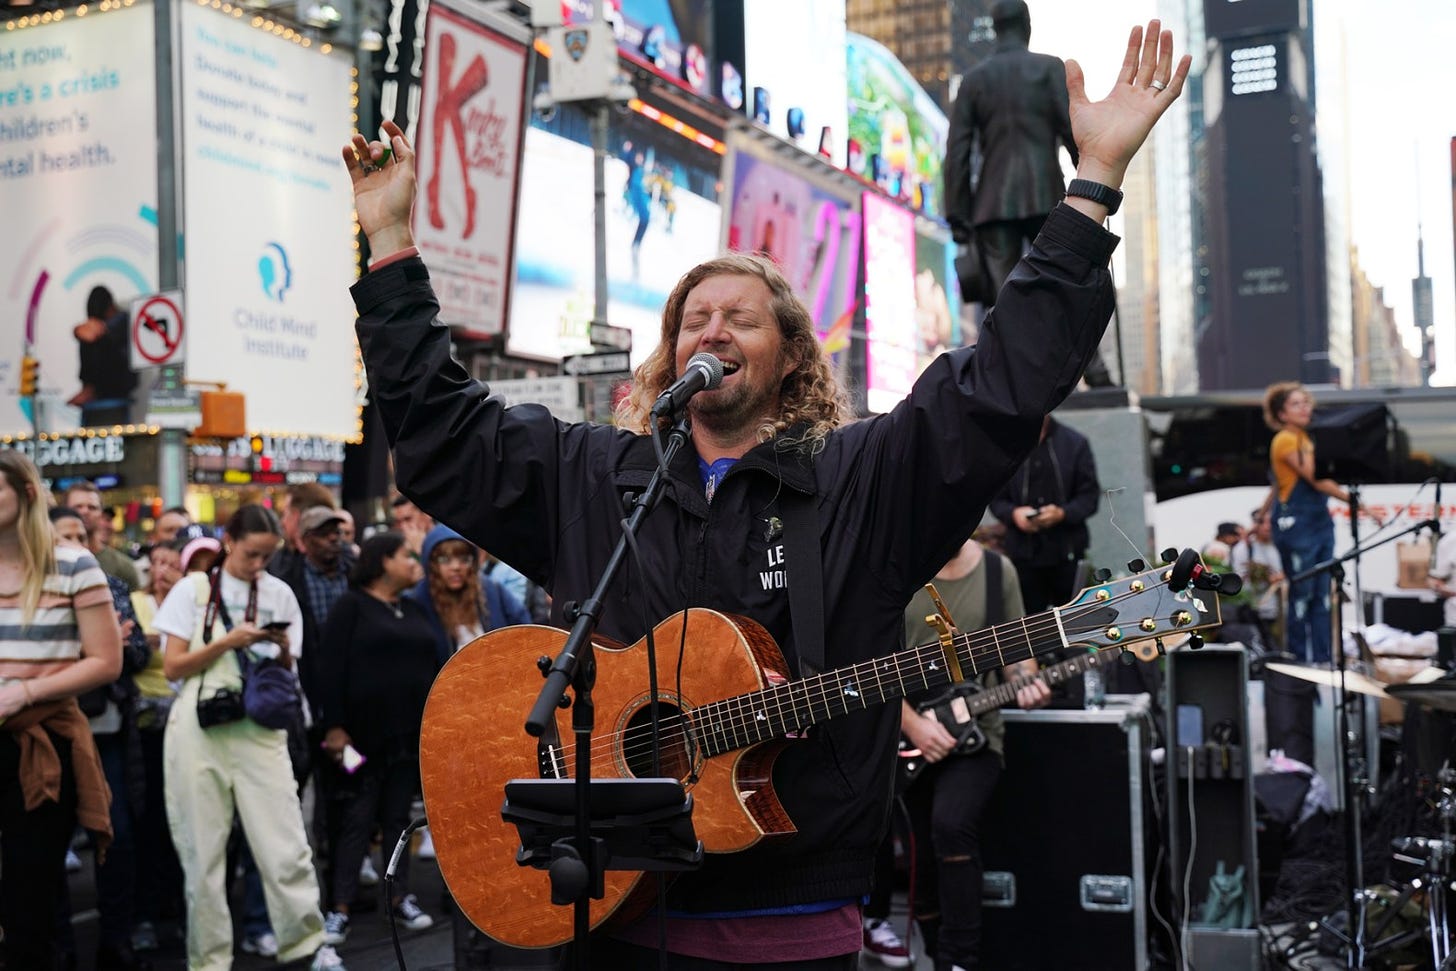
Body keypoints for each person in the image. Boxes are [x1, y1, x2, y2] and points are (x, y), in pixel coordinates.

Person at [343, 23, 1187, 965]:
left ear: (789, 357)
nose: (714, 327)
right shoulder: (592, 475)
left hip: (791, 920)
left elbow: (997, 388)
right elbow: (438, 435)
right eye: (694, 316)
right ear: (670, 354)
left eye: (740, 316)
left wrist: (1091, 186)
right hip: (608, 909)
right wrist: (388, 241)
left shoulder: (863, 477)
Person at [151, 505, 343, 971]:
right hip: (198, 728)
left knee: (286, 845)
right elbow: (172, 666)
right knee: (203, 854)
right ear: (229, 541)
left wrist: (278, 650)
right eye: (252, 554)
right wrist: (226, 641)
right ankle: (209, 959)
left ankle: (306, 945)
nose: (258, 565)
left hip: (259, 727)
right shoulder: (192, 590)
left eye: (267, 556)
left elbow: (288, 671)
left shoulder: (278, 593)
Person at [863, 538, 1049, 971]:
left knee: (952, 825)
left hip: (976, 735)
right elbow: (868, 661)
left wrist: (1027, 681)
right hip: (905, 734)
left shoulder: (995, 570)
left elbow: (1016, 652)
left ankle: (958, 960)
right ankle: (934, 950)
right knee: (920, 857)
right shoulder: (896, 565)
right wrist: (913, 725)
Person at [944, 1, 1112, 385]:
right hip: (1044, 197)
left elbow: (957, 153)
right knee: (1068, 283)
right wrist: (1093, 186)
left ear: (996, 28)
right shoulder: (1048, 68)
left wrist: (958, 213)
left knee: (1005, 302)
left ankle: (1008, 381)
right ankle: (1096, 372)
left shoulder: (974, 80)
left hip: (991, 206)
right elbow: (1073, 134)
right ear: (1027, 25)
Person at [0, 451, 121, 969]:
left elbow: (106, 660)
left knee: (31, 898)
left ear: (26, 494)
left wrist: (24, 693)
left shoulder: (73, 562)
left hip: (41, 743)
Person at [317, 531, 438, 946]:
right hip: (359, 739)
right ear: (383, 561)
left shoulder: (413, 608)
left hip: (406, 739)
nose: (413, 562)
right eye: (406, 555)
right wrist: (333, 727)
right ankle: (339, 908)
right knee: (354, 821)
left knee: (397, 821)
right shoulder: (350, 607)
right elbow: (329, 669)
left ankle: (398, 896)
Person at [51, 507, 152, 971]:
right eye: (65, 534)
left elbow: (135, 653)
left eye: (81, 534)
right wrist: (93, 646)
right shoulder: (37, 591)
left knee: (118, 836)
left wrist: (112, 645)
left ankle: (117, 939)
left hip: (108, 731)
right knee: (50, 842)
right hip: (53, 731)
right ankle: (59, 946)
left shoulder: (109, 586)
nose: (76, 542)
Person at [1262, 382, 1381, 664]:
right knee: (1303, 595)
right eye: (1296, 404)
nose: (1306, 408)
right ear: (1281, 414)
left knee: (1321, 596)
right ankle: (1303, 660)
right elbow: (1314, 478)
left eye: (1306, 402)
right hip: (1299, 525)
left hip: (1316, 522)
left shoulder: (1306, 439)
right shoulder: (1286, 440)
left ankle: (1323, 659)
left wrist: (1263, 512)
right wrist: (1358, 504)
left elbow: (1279, 484)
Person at [127, 536, 187, 954]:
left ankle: (176, 910)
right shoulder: (137, 601)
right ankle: (146, 911)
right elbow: (134, 651)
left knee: (181, 819)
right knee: (148, 818)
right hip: (147, 723)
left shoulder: (188, 603)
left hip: (184, 719)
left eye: (171, 563)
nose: (163, 571)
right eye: (157, 563)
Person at [987, 415, 1100, 614]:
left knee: (1073, 622)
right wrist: (1014, 515)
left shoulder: (1074, 443)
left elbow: (1089, 498)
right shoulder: (1005, 445)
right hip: (1022, 555)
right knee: (1030, 627)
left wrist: (1062, 513)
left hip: (1067, 554)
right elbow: (994, 498)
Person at [407, 525, 530, 668]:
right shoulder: (419, 600)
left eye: (464, 559)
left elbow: (524, 630)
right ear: (432, 564)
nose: (456, 567)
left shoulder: (491, 590)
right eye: (445, 560)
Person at [69, 285, 138, 426]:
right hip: (102, 390)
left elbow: (93, 333)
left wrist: (81, 331)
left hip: (118, 384)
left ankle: (89, 390)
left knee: (98, 341)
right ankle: (89, 389)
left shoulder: (122, 320)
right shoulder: (100, 327)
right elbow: (86, 332)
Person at [64, 480, 142, 591]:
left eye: (92, 507)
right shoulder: (51, 561)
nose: (85, 511)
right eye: (78, 507)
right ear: (65, 510)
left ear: (101, 513)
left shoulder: (123, 566)